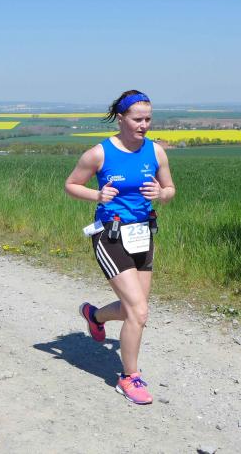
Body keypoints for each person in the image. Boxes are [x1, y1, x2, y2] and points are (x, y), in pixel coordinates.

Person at [64, 90, 175, 405]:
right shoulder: (99, 154)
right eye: (137, 119)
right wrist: (97, 196)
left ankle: (95, 316)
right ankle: (129, 377)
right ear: (121, 118)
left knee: (132, 309)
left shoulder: (156, 152)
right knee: (139, 311)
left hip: (143, 234)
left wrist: (161, 194)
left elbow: (170, 189)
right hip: (110, 236)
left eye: (148, 119)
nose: (144, 125)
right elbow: (71, 185)